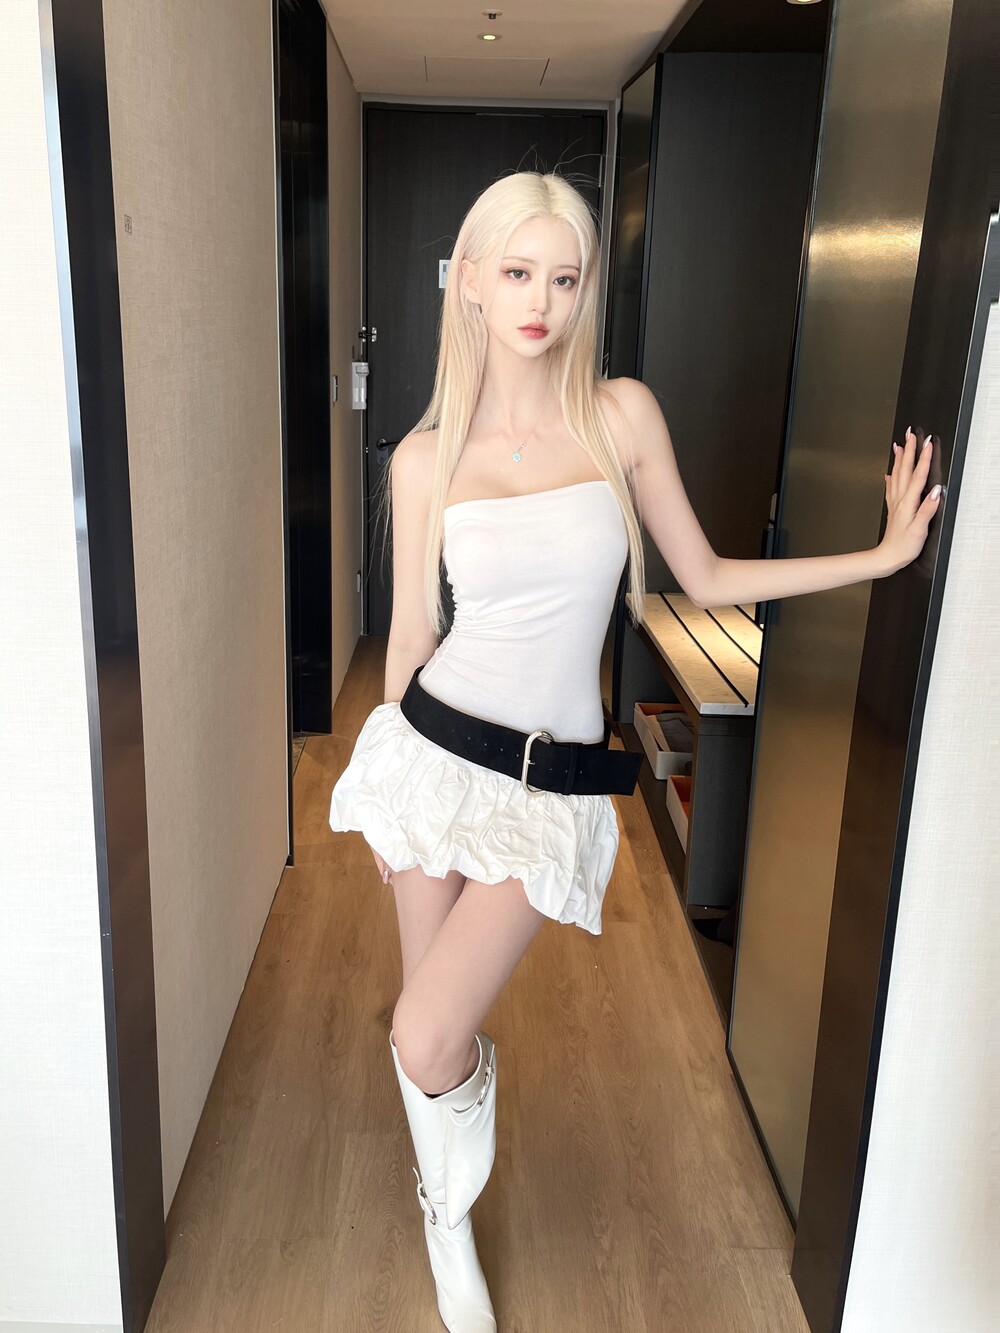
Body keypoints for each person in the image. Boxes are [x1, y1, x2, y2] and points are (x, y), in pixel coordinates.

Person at [327, 171, 941, 1332]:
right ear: (470, 280)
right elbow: (411, 638)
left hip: (548, 780)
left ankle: (445, 1202)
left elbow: (701, 575)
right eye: (518, 272)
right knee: (428, 1036)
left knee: (423, 1031)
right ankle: (445, 1203)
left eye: (564, 278)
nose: (541, 302)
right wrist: (388, 784)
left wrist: (876, 558)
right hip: (431, 756)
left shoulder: (619, 417)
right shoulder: (422, 459)